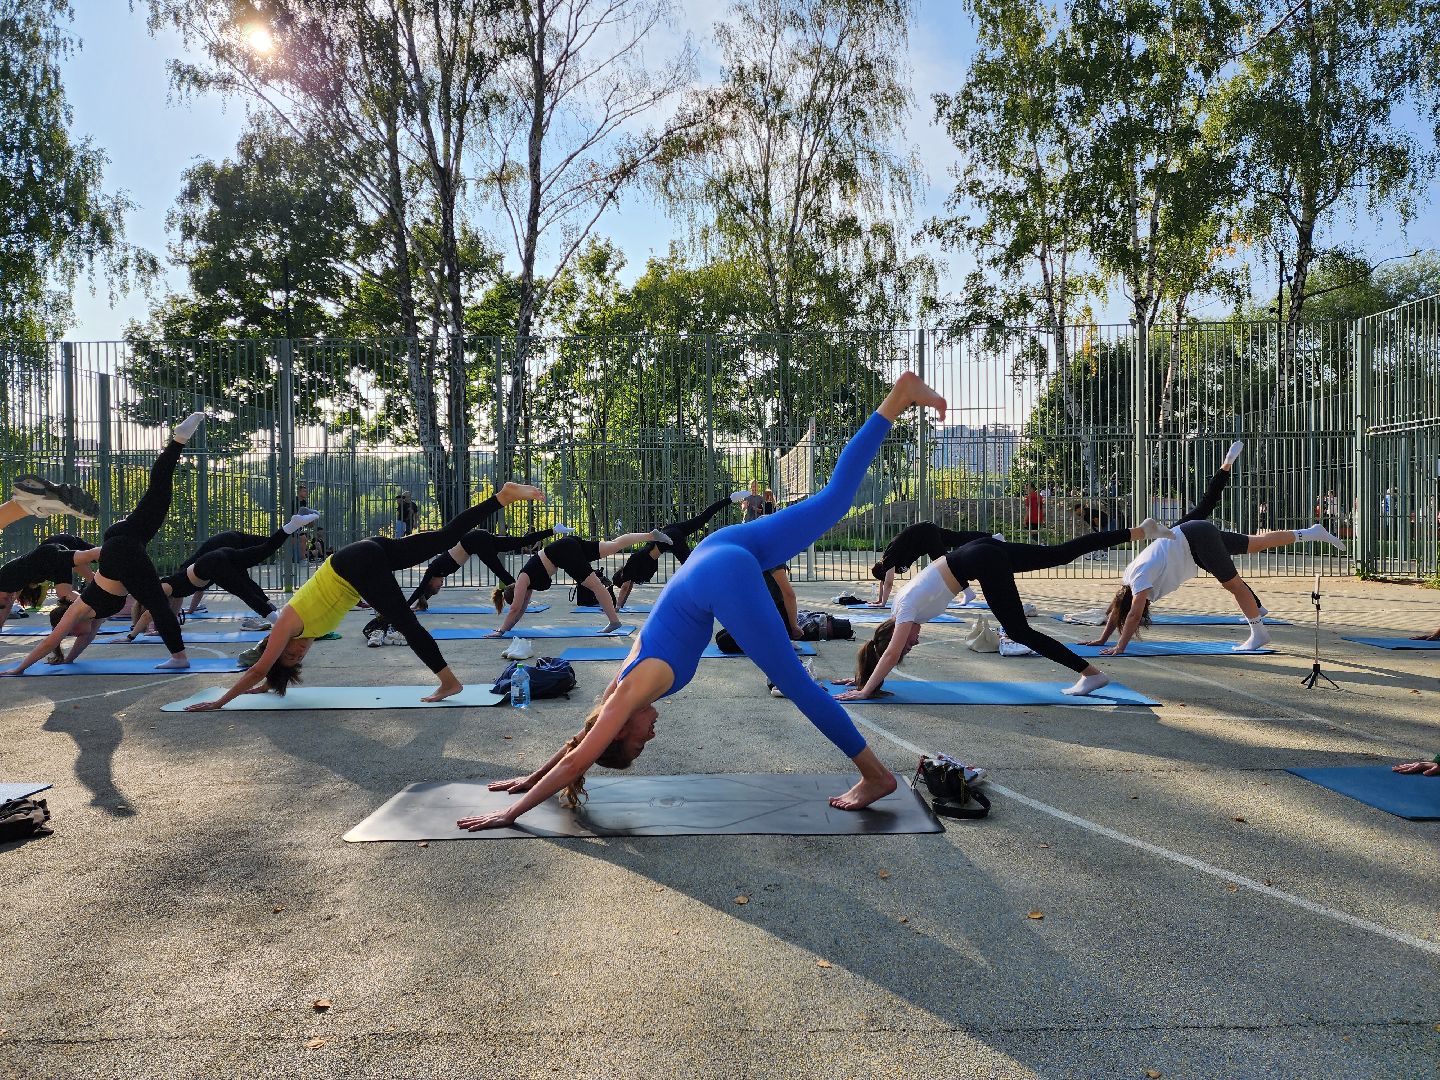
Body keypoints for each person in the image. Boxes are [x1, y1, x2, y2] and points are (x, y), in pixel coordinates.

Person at [455, 371, 947, 834]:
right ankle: (897, 398)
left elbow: (579, 758)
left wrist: (513, 812)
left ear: (620, 729)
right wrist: (528, 778)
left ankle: (876, 776)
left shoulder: (627, 697)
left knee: (796, 683)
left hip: (720, 575)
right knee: (834, 500)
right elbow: (578, 743)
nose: (651, 738)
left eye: (638, 743)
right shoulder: (616, 693)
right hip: (715, 551)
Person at [183, 483, 545, 710]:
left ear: (277, 648)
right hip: (362, 554)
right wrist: (269, 685)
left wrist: (221, 701)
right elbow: (268, 672)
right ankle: (502, 497)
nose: (301, 650)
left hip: (354, 566)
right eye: (299, 657)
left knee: (406, 623)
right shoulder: (303, 634)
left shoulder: (286, 625)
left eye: (291, 653)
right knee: (446, 538)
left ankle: (449, 682)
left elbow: (261, 665)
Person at [838, 518, 1175, 702]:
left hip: (980, 560)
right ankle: (1140, 531)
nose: (914, 642)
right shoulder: (903, 607)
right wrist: (861, 677)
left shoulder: (906, 612)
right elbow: (883, 651)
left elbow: (889, 652)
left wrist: (865, 691)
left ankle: (1092, 675)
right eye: (911, 645)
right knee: (1059, 554)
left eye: (908, 643)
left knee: (1018, 631)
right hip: (979, 550)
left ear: (894, 634)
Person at [1081, 442, 1344, 655]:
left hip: (1195, 542)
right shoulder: (1128, 577)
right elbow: (1117, 609)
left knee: (1234, 585)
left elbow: (1132, 614)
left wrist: (1120, 646)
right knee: (1256, 543)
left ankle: (1259, 632)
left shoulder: (1139, 583)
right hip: (1189, 534)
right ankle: (1311, 532)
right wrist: (1102, 639)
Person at [1, 413, 207, 676]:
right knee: (159, 494)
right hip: (124, 540)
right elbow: (84, 640)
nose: (76, 636)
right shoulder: (93, 619)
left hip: (120, 551)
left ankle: (179, 657)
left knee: (157, 603)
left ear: (71, 623)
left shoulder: (79, 609)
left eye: (72, 633)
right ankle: (179, 439)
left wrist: (19, 668)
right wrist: (68, 660)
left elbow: (50, 642)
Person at [361, 523, 559, 646]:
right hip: (477, 540)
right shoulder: (437, 574)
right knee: (517, 543)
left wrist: (402, 609)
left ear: (431, 582)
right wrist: (418, 605)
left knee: (502, 570)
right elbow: (423, 593)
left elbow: (419, 589)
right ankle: (553, 530)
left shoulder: (433, 568)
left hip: (474, 540)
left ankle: (520, 592)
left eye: (437, 587)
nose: (441, 585)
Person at [127, 513, 320, 638]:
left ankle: (282, 626)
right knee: (264, 550)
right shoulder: (173, 587)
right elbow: (163, 611)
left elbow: (150, 614)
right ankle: (292, 525)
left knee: (245, 592)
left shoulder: (165, 588)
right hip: (221, 554)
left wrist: (132, 635)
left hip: (214, 563)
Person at [488, 529, 677, 636]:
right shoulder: (527, 586)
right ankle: (650, 536)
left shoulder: (522, 579)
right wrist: (506, 629)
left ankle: (614, 621)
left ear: (515, 592)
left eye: (519, 598)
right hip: (567, 545)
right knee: (613, 545)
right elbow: (519, 611)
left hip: (564, 553)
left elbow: (515, 609)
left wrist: (500, 631)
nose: (524, 601)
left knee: (596, 586)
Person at [610, 494, 740, 608]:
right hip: (669, 530)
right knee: (701, 520)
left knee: (691, 568)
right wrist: (621, 605)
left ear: (621, 577)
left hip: (670, 540)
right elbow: (628, 588)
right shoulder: (632, 567)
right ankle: (730, 499)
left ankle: (711, 593)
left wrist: (617, 607)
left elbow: (625, 587)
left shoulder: (629, 568)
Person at [869, 521, 994, 606]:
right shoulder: (887, 563)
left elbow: (888, 583)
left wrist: (883, 603)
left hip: (925, 534)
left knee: (946, 566)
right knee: (956, 538)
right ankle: (993, 538)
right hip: (926, 530)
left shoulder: (889, 558)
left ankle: (968, 592)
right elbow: (884, 582)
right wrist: (880, 599)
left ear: (884, 569)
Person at [0, 534, 99, 632]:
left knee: (65, 591)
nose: (9, 600)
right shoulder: (15, 583)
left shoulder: (5, 581)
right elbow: (6, 607)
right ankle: (98, 607)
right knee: (68, 590)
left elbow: (6, 607)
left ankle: (98, 609)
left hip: (50, 553)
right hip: (52, 554)